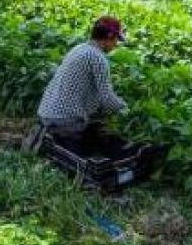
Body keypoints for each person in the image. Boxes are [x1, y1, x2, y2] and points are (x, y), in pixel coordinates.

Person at [26, 15, 128, 153]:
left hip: (45, 113)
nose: (116, 44)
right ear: (108, 37)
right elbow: (107, 99)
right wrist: (125, 109)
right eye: (116, 39)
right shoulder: (98, 58)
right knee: (98, 130)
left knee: (94, 117)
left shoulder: (79, 48)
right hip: (65, 120)